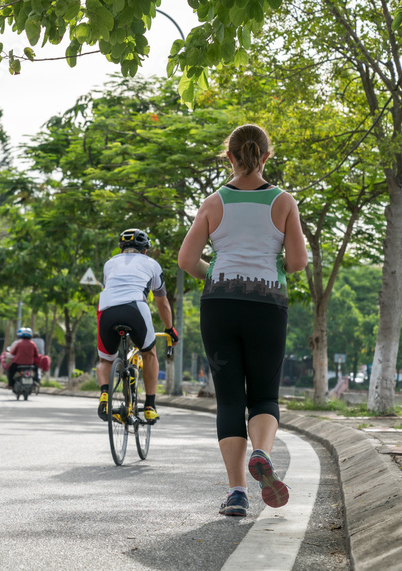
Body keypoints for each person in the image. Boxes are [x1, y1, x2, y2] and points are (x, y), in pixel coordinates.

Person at [178, 123, 308, 518]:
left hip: (219, 304)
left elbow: (186, 260)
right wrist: (274, 267)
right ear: (266, 156)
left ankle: (237, 493)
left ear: (229, 156)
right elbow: (298, 262)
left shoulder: (213, 202)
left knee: (230, 399)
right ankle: (262, 453)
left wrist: (216, 273)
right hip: (267, 306)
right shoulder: (283, 202)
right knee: (264, 395)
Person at [96, 228, 178, 426]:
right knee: (149, 353)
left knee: (105, 360)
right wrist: (169, 329)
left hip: (106, 310)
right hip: (135, 308)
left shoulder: (109, 264)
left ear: (121, 248)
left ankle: (105, 396)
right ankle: (149, 406)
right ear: (145, 250)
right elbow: (163, 302)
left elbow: (111, 288)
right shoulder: (152, 264)